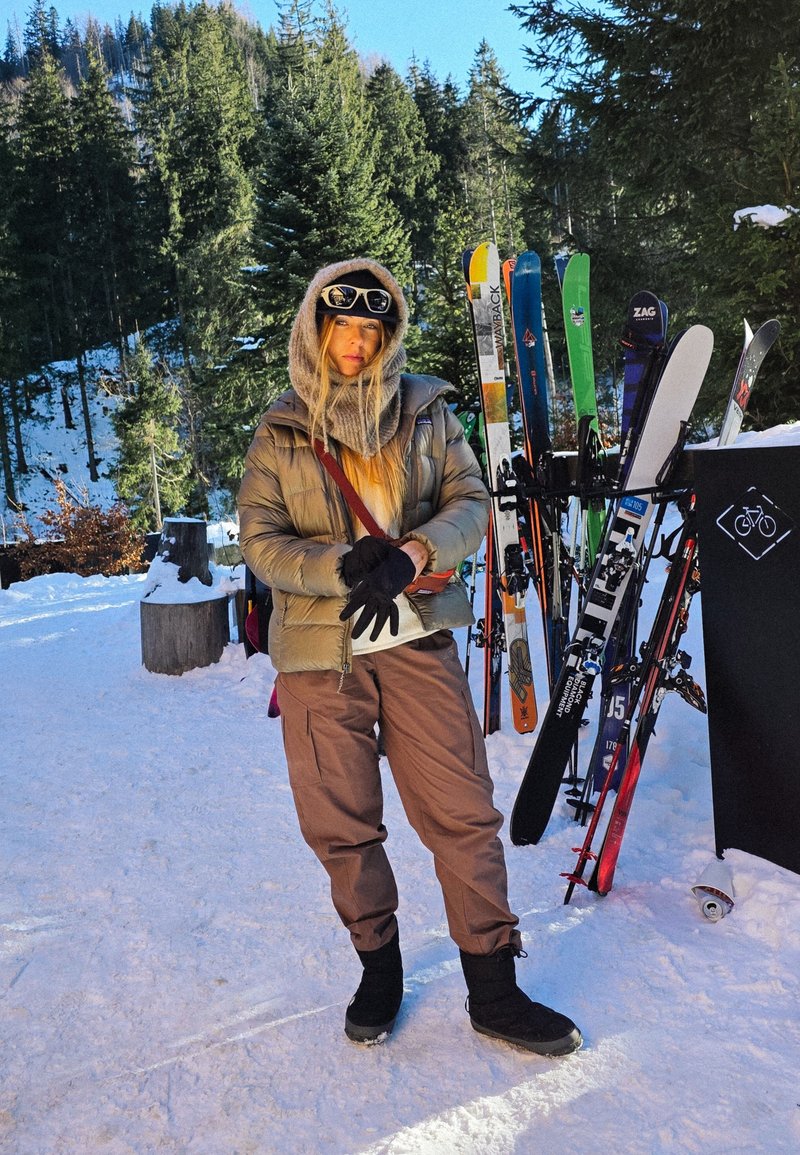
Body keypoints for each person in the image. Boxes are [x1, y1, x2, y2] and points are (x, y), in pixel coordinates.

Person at [238, 257, 582, 1056]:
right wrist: (339, 565)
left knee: (463, 812)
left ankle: (494, 989)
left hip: (417, 641)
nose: (356, 342)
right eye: (342, 325)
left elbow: (472, 501)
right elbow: (261, 540)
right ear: (316, 328)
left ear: (388, 335)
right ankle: (379, 968)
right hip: (320, 660)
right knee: (341, 824)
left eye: (372, 327)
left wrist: (415, 552)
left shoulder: (426, 411)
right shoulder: (280, 430)